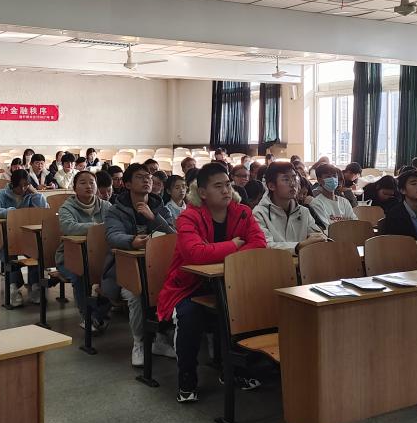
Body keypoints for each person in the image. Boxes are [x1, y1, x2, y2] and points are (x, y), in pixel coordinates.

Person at [157, 163, 267, 402]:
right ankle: (187, 378)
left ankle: (233, 371)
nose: (226, 190)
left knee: (245, 307)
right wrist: (234, 245)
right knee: (190, 314)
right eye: (218, 186)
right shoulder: (189, 217)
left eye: (228, 184)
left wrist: (219, 252)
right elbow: (195, 254)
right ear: (203, 193)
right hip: (189, 286)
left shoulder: (242, 212)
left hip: (230, 282)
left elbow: (259, 243)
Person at [103, 163, 177, 366]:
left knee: (173, 289)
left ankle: (159, 339)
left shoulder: (161, 208)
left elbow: (173, 236)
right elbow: (112, 236)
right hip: (125, 268)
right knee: (136, 294)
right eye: (140, 177)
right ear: (127, 184)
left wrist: (153, 218)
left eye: (149, 177)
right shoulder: (116, 210)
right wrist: (132, 241)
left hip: (157, 267)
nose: (147, 180)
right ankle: (139, 342)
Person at [55, 171, 112, 330]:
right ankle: (87, 317)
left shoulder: (106, 206)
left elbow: (114, 226)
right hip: (70, 258)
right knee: (80, 274)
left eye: (92, 182)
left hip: (100, 256)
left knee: (115, 273)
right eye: (83, 183)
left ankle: (98, 315)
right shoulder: (67, 208)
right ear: (74, 188)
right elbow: (69, 227)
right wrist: (97, 228)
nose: (88, 186)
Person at [0, 169, 49, 306]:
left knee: (36, 249)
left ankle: (35, 285)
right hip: (3, 235)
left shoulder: (30, 194)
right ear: (12, 184)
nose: (22, 189)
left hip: (25, 235)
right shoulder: (2, 194)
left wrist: (36, 193)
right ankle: (13, 286)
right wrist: (13, 213)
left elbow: (44, 210)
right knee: (9, 251)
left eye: (26, 185)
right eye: (19, 186)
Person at [253, 161, 326, 253]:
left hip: (304, 261)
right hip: (275, 261)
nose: (293, 184)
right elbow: (266, 245)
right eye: (286, 179)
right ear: (271, 186)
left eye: (294, 178)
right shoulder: (259, 213)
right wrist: (298, 246)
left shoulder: (303, 211)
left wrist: (320, 239)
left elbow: (317, 235)